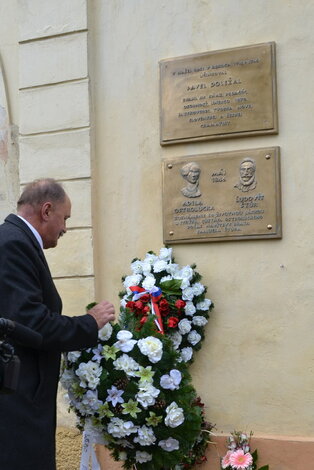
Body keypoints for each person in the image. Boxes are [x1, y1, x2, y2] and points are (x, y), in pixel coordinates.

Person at [0, 178, 115, 470]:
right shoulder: (13, 243)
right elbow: (29, 322)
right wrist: (89, 323)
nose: (66, 227)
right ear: (47, 210)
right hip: (17, 398)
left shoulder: (16, 240)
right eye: (65, 218)